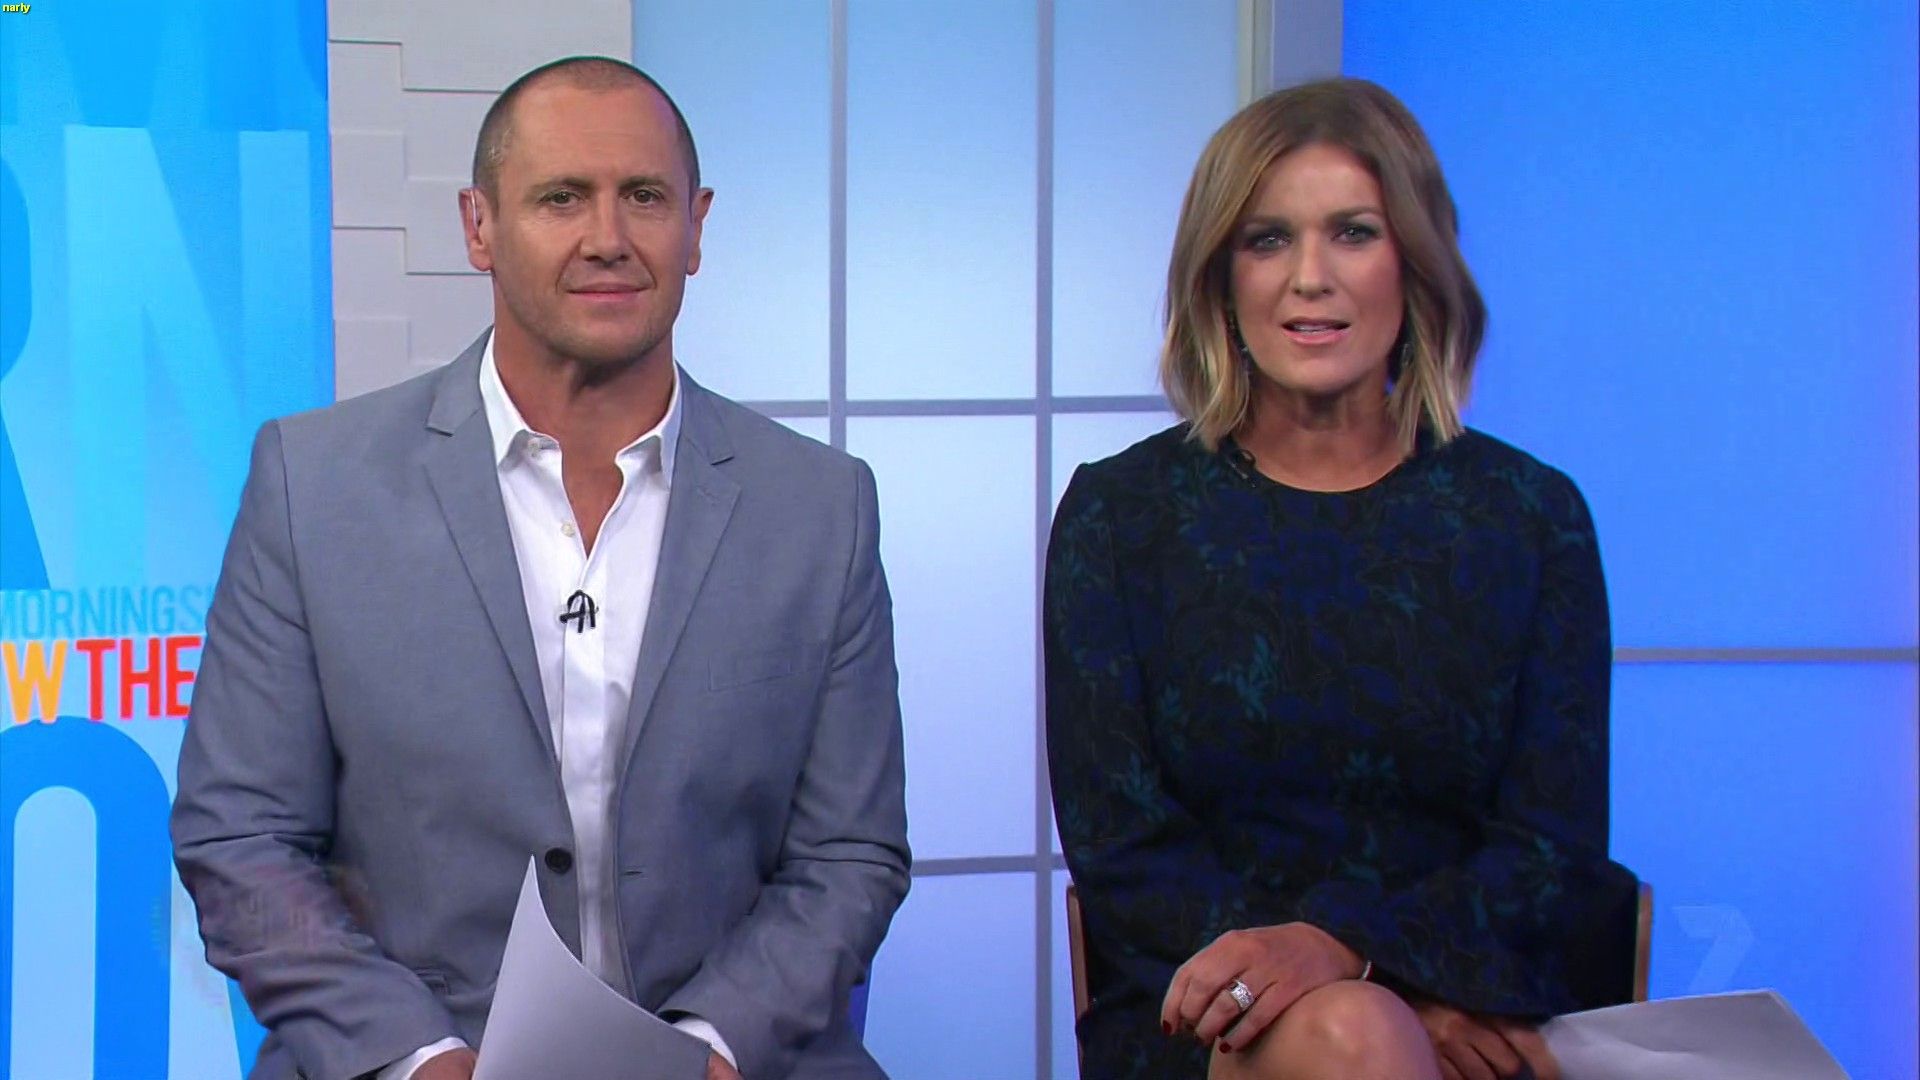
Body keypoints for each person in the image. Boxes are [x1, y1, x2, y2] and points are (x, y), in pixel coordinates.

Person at [172, 56, 910, 1080]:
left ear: (696, 226)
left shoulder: (821, 507)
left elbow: (849, 854)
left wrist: (712, 1047)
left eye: (643, 197)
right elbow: (240, 838)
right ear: (478, 226)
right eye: (562, 198)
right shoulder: (314, 485)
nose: (607, 238)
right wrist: (419, 1057)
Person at [1044, 78, 1639, 1080]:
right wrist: (1349, 990)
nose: (1309, 279)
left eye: (1353, 234)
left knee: (1368, 1032)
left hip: (1465, 1003)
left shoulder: (1530, 516)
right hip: (1203, 1010)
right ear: (1220, 277)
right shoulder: (1120, 516)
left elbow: (1554, 851)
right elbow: (1124, 851)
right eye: (1268, 240)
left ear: (1416, 263)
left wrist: (1378, 970)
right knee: (1354, 1037)